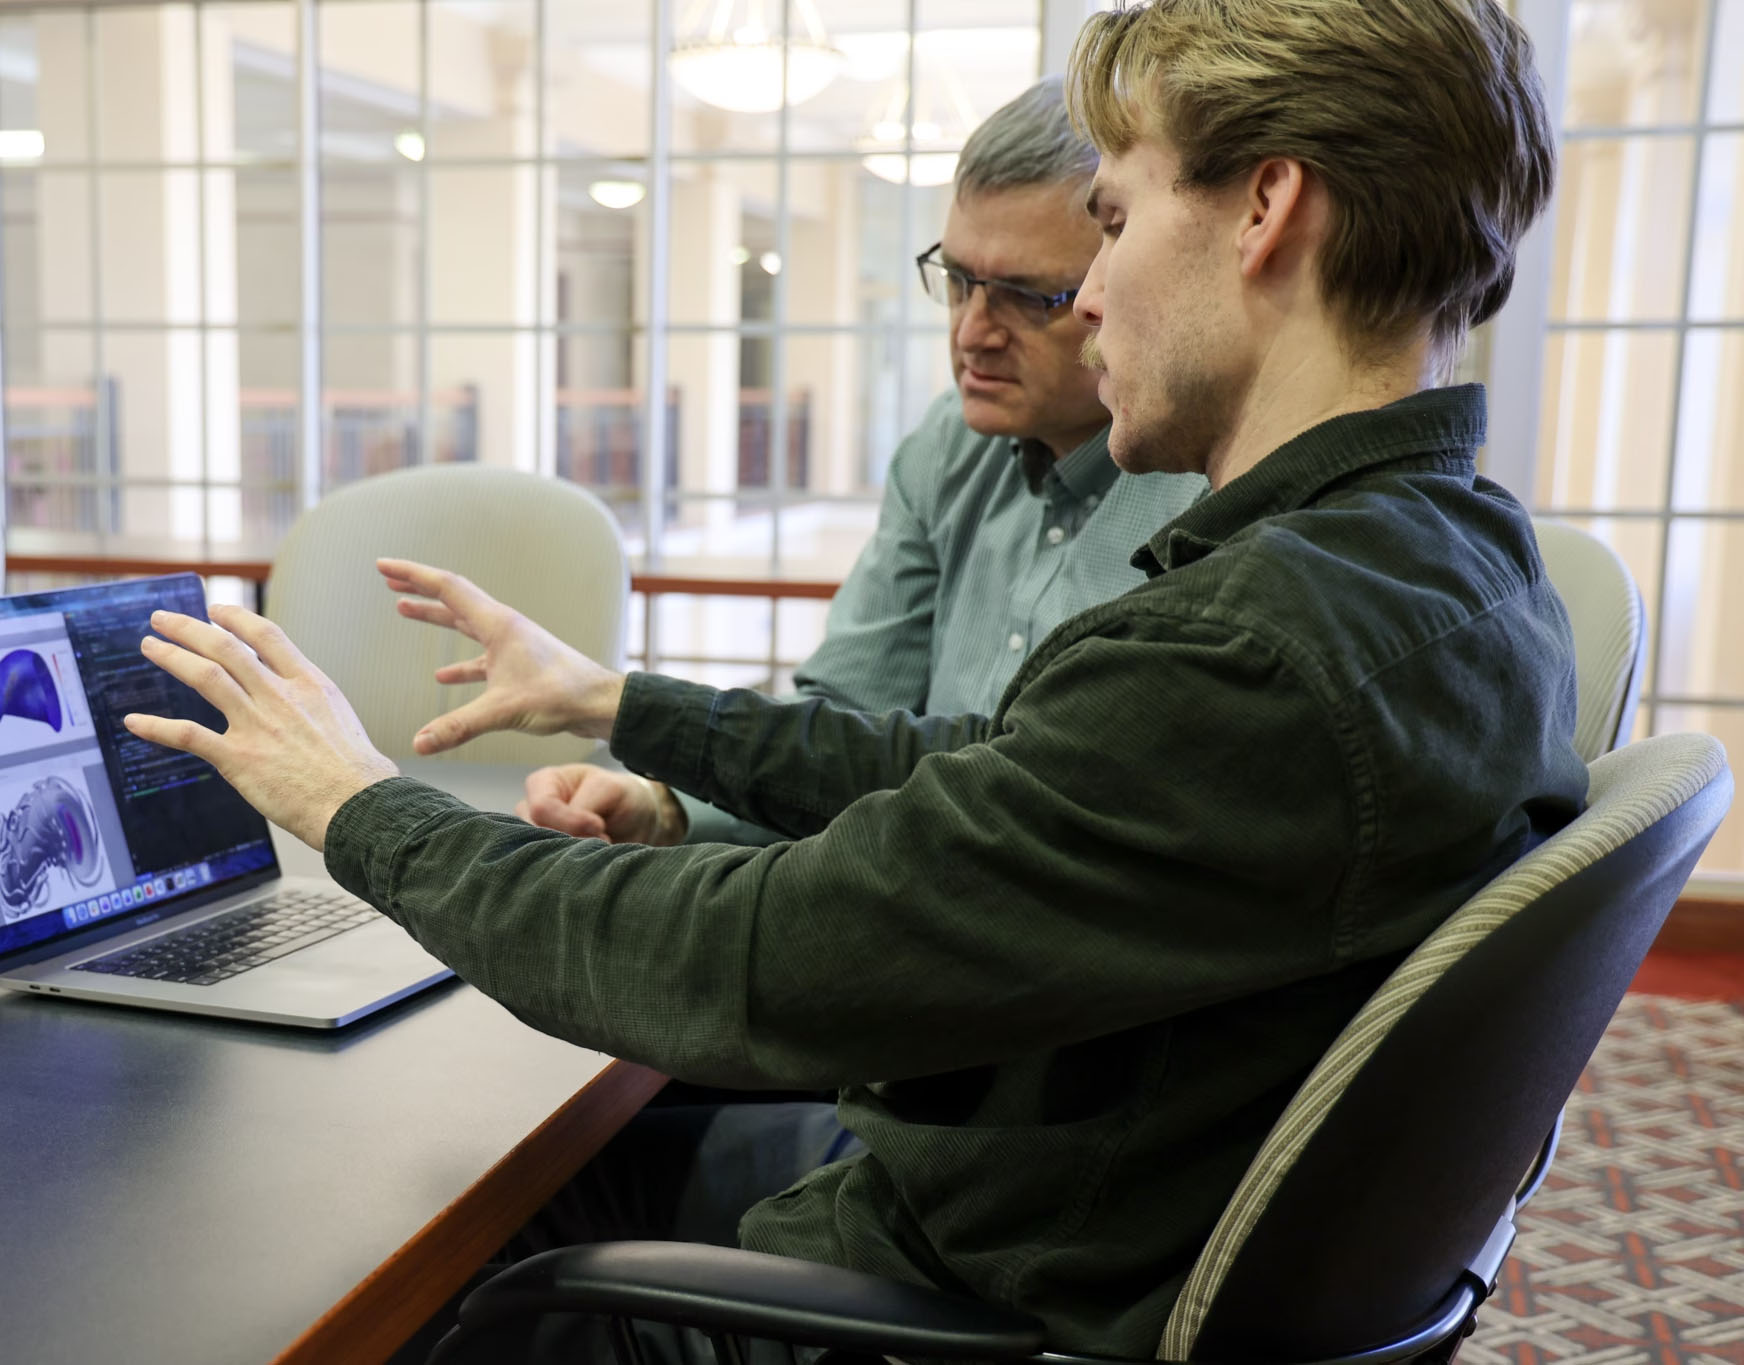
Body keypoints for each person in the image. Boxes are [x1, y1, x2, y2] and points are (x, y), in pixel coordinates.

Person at [122, 0, 1585, 1353]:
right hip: (1055, 1210)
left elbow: (747, 958)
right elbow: (994, 781)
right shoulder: (1464, 566)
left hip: (955, 1290)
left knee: (427, 1257)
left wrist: (356, 804)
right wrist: (635, 710)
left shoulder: (1254, 651)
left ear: (1265, 209)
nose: (1087, 304)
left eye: (1114, 224)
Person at [519, 78, 1207, 850]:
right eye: (957, 280)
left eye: (1022, 296)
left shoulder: (1212, 488)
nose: (971, 332)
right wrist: (665, 804)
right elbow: (847, 710)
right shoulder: (950, 444)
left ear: (1114, 282)